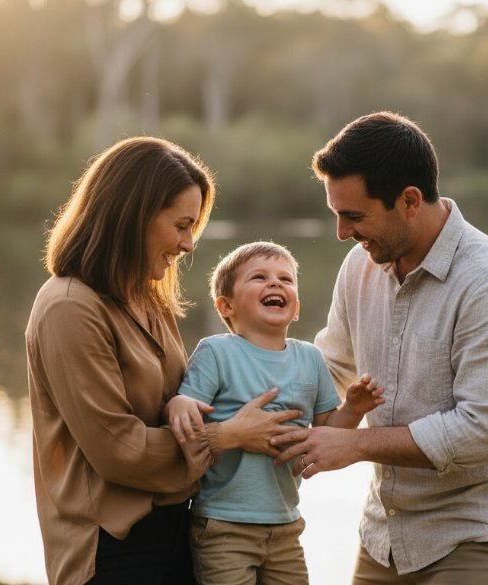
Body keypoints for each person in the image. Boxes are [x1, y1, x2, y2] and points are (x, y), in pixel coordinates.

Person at [272, 112, 488, 584]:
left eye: (354, 216)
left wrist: (355, 444)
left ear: (410, 200)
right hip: (386, 535)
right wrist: (228, 397)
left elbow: (483, 430)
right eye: (337, 214)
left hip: (475, 535)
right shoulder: (360, 266)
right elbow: (327, 367)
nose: (342, 232)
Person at [25, 137, 302, 585]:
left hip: (178, 529)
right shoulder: (69, 307)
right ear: (135, 215)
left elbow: (182, 399)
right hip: (110, 548)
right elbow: (118, 450)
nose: (188, 244)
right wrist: (227, 436)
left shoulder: (146, 298)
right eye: (181, 225)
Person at [165, 241, 385, 585]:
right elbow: (188, 411)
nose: (275, 284)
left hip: (285, 523)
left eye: (286, 279)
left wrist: (354, 409)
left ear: (296, 307)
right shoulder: (216, 352)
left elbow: (328, 429)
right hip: (224, 524)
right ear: (227, 305)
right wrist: (179, 402)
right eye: (259, 277)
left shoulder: (310, 359)